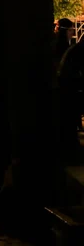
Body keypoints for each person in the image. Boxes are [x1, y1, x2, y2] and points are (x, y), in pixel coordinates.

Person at [54, 18, 81, 162]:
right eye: (71, 30)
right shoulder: (65, 48)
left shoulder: (59, 45)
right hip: (66, 89)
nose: (72, 33)